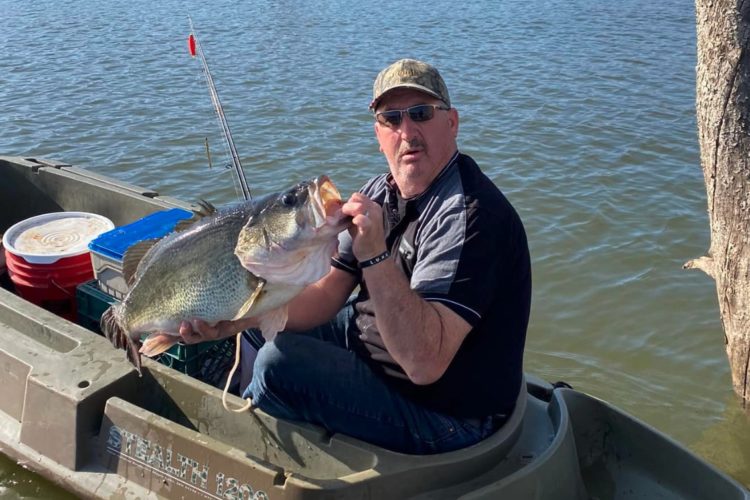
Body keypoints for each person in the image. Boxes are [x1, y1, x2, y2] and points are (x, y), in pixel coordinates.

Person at [179, 58, 532, 455]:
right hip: (380, 351)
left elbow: (423, 363)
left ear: (451, 123)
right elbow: (328, 294)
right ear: (378, 134)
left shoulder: (472, 216)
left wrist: (375, 256)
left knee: (279, 364)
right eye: (391, 119)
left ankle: (238, 444)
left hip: (450, 414)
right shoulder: (380, 191)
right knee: (265, 325)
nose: (407, 131)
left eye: (421, 114)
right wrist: (235, 321)